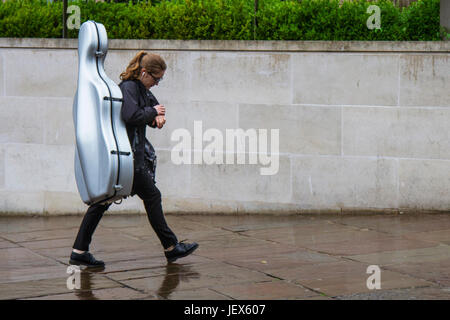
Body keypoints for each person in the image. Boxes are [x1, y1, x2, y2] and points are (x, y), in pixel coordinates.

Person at [69, 51, 198, 268]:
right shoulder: (128, 87)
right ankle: (170, 247)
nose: (157, 83)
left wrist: (157, 116)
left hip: (129, 158)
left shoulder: (140, 89)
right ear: (145, 73)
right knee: (151, 197)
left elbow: (151, 109)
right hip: (129, 159)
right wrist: (152, 112)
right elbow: (131, 116)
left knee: (103, 203)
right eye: (156, 79)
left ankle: (79, 251)